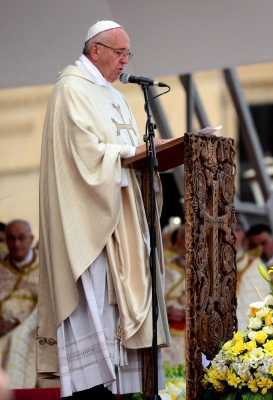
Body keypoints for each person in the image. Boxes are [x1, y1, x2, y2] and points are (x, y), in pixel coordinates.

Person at [37, 21, 172, 399]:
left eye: (129, 54)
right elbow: (83, 154)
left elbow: (131, 147)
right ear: (95, 50)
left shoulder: (114, 96)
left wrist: (150, 150)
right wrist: (129, 153)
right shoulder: (70, 89)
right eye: (119, 53)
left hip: (124, 219)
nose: (125, 61)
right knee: (95, 309)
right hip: (92, 223)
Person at [0, 219, 40, 387]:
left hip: (33, 327)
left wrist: (16, 323)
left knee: (15, 339)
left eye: (21, 238)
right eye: (11, 238)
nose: (16, 244)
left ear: (31, 239)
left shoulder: (45, 267)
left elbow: (46, 306)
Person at [163, 228, 186, 367]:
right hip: (169, 337)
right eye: (184, 237)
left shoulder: (213, 270)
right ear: (177, 241)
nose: (188, 242)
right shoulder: (163, 267)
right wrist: (162, 313)